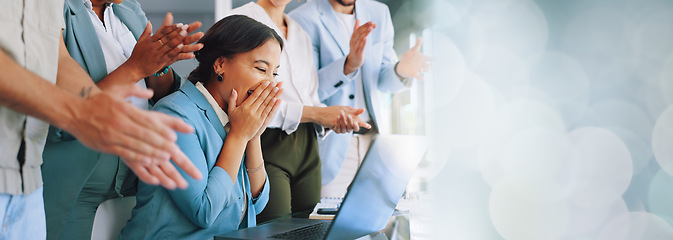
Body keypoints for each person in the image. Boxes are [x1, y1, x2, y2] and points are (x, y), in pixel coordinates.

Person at [0, 0, 202, 239]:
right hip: (51, 177)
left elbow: (58, 59)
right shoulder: (66, 8)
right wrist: (83, 110)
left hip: (26, 175)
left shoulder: (127, 11)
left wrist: (159, 63)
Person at [120, 15, 283, 239]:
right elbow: (203, 211)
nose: (269, 83)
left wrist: (252, 135)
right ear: (220, 64)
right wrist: (239, 136)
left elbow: (258, 202)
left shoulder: (235, 118)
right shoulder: (175, 115)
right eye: (261, 69)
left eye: (274, 73)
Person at [227, 0, 370, 223]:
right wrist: (317, 114)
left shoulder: (300, 31)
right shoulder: (239, 19)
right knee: (275, 230)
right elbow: (243, 98)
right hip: (266, 142)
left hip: (308, 147)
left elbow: (310, 96)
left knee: (311, 228)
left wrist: (333, 118)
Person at [290, 0, 431, 198]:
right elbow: (307, 91)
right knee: (328, 223)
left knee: (380, 224)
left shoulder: (379, 12)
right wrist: (348, 65)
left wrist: (400, 71)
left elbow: (382, 82)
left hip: (375, 143)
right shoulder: (302, 18)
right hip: (332, 149)